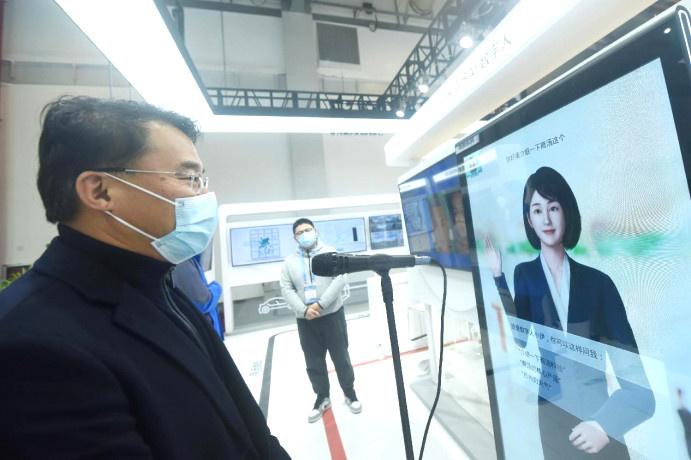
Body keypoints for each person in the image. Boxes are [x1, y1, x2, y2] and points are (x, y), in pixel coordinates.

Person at [0, 96, 289, 459]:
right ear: (100, 190)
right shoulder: (33, 346)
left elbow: (248, 425)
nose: (203, 195)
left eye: (201, 179)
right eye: (188, 177)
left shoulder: (162, 284)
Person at [484, 166, 654, 459]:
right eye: (537, 210)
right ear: (530, 220)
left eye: (553, 207)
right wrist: (499, 278)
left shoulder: (599, 283)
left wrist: (604, 425)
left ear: (566, 212)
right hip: (551, 414)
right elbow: (522, 339)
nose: (546, 219)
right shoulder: (525, 274)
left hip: (599, 421)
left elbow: (641, 391)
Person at [280, 218, 362, 423]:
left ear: (315, 231)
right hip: (306, 319)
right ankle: (322, 397)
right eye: (300, 232)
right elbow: (286, 288)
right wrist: (303, 309)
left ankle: (349, 393)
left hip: (332, 315)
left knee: (341, 356)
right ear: (295, 238)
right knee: (313, 360)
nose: (305, 234)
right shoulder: (289, 261)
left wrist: (321, 304)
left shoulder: (331, 252)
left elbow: (341, 278)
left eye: (308, 230)